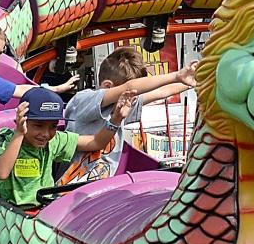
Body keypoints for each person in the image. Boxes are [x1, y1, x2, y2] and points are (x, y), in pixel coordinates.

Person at [60, 48, 197, 183]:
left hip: (100, 188)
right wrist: (176, 76)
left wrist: (195, 80)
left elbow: (163, 91)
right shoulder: (84, 100)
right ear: (108, 86)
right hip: (67, 189)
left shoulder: (125, 105)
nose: (134, 99)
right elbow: (128, 87)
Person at [0, 87, 136, 208]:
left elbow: (96, 142)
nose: (45, 134)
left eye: (52, 126)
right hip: (8, 210)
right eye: (38, 125)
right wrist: (19, 133)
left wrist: (116, 119)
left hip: (44, 209)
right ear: (22, 120)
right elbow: (1, 172)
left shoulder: (55, 140)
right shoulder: (6, 138)